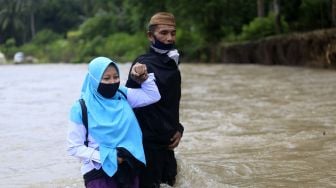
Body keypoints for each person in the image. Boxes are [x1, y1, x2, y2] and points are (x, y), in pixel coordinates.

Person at [67, 56, 161, 188]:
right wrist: (108, 157)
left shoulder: (122, 95)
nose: (112, 82)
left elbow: (153, 95)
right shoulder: (81, 108)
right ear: (93, 79)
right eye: (106, 78)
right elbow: (73, 148)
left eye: (116, 77)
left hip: (129, 167)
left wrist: (144, 78)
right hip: (98, 173)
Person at [126, 12, 184, 188]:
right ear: (150, 36)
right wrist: (136, 75)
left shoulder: (172, 64)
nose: (169, 38)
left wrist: (179, 128)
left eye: (172, 33)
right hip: (147, 147)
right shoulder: (144, 63)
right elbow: (130, 98)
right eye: (163, 33)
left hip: (168, 144)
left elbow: (171, 103)